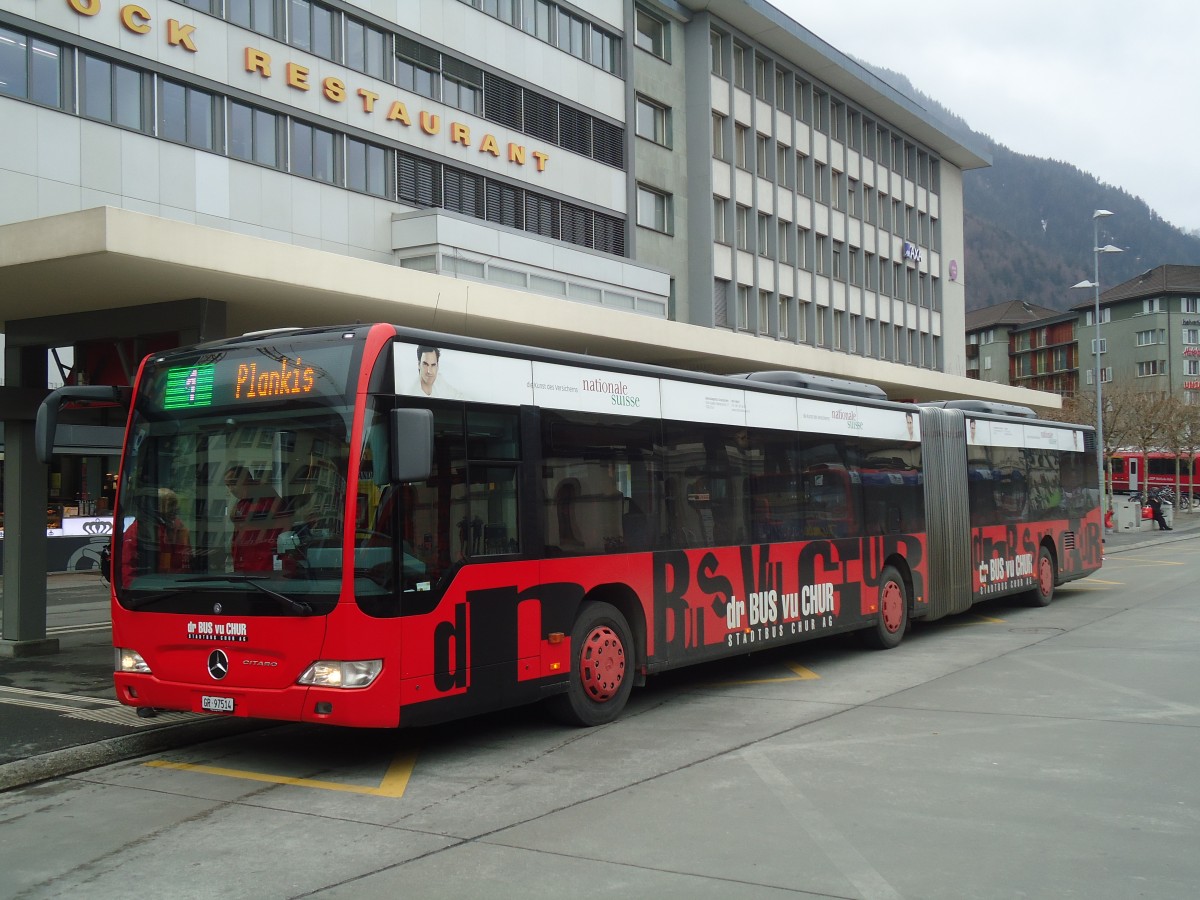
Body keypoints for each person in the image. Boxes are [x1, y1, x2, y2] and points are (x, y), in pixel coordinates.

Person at [225, 465, 293, 571]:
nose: (230, 489)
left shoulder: (265, 499)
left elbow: (272, 538)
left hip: (264, 571)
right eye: (227, 485)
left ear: (245, 480)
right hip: (249, 569)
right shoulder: (244, 503)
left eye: (233, 483)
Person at [121, 487, 191, 582]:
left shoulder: (179, 528)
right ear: (157, 506)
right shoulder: (138, 530)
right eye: (171, 504)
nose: (176, 509)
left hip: (179, 585)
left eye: (175, 504)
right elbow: (127, 566)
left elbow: (187, 558)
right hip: (151, 588)